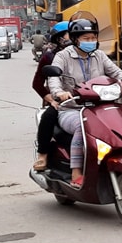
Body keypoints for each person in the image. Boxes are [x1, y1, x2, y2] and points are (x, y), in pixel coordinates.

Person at [46, 18, 122, 187]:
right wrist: (59, 92)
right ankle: (76, 170)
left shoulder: (99, 55)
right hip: (72, 109)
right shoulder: (62, 56)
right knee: (83, 126)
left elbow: (116, 72)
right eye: (86, 39)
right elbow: (54, 78)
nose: (91, 42)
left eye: (93, 38)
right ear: (75, 39)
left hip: (99, 107)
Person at [31, 22, 71, 171]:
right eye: (70, 34)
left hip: (86, 98)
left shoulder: (90, 55)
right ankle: (42, 154)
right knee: (48, 117)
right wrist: (52, 100)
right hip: (60, 100)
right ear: (59, 38)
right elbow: (37, 83)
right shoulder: (50, 57)